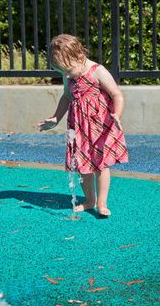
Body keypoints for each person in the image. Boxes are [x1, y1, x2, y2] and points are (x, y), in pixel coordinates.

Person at [36, 34, 128, 217]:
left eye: (68, 70)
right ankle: (89, 200)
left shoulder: (97, 71)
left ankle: (102, 203)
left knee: (101, 165)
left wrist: (117, 114)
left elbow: (117, 95)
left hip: (101, 127)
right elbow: (66, 96)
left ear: (78, 55)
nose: (67, 75)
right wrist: (56, 118)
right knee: (83, 166)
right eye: (62, 72)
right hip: (79, 128)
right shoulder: (68, 75)